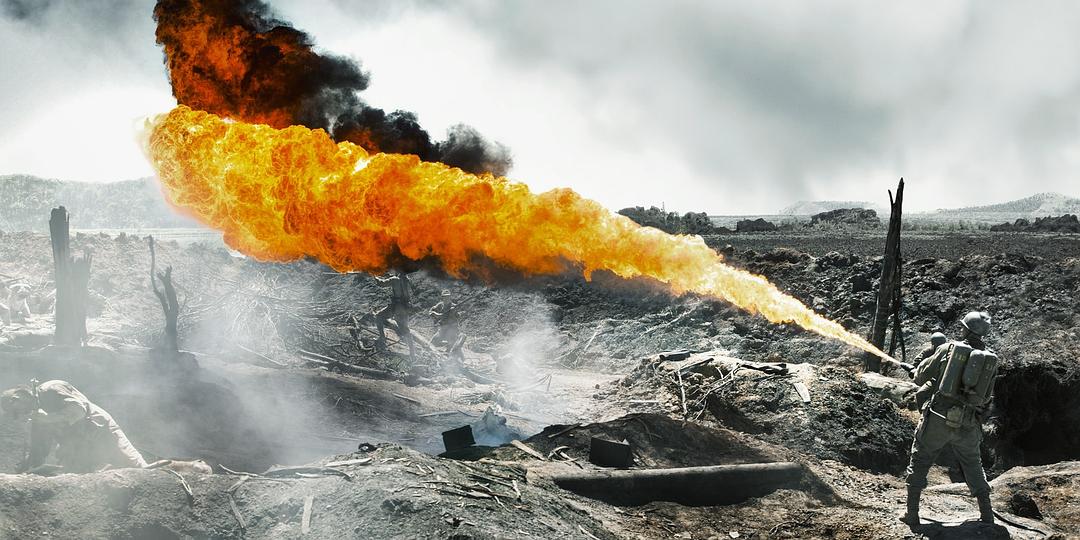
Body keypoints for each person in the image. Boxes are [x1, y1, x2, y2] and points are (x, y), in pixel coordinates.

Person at [902, 312, 998, 528]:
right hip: (969, 422)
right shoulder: (990, 359)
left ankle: (913, 515)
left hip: (938, 418)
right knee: (974, 465)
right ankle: (987, 515)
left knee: (920, 459)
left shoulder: (948, 349)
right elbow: (987, 396)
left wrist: (914, 371)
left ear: (965, 329)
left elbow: (920, 377)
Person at [0, 380, 147, 473]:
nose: (20, 415)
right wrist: (27, 471)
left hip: (101, 430)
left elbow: (79, 410)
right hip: (77, 446)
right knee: (73, 477)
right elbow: (39, 449)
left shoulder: (50, 389)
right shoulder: (37, 417)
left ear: (17, 399)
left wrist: (49, 418)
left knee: (139, 469)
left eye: (15, 412)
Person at [373, 269, 417, 360]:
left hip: (396, 307)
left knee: (379, 316)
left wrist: (374, 275)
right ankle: (413, 354)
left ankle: (382, 338)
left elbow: (381, 283)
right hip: (405, 308)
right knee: (405, 330)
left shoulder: (395, 279)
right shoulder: (407, 280)